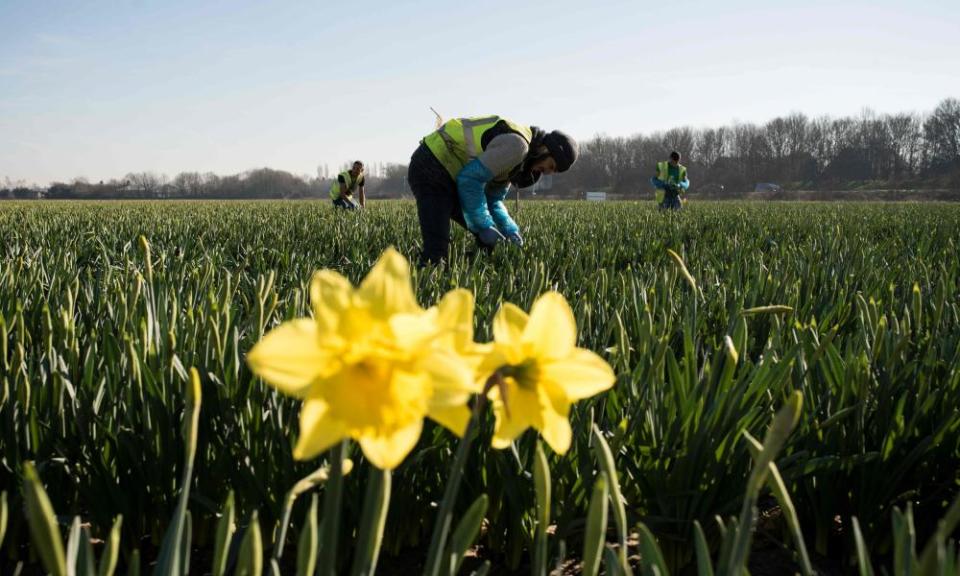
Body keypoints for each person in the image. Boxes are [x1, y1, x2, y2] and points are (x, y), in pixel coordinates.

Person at [407, 115, 578, 264]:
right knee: (436, 254)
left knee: (489, 243)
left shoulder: (518, 163)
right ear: (545, 150)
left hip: (451, 176)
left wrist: (509, 229)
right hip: (431, 165)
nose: (547, 172)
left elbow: (492, 200)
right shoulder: (517, 147)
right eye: (551, 166)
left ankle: (467, 274)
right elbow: (469, 180)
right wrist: (483, 225)